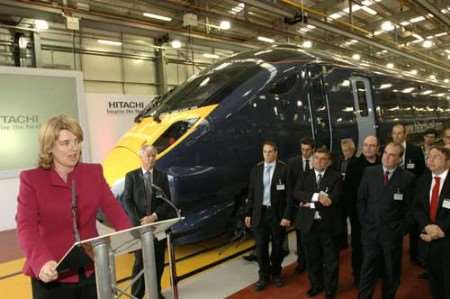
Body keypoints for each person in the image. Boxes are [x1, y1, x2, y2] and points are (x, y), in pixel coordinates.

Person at [16, 114, 132, 299]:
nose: (74, 148)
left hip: (92, 268)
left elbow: (115, 211)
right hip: (51, 274)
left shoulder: (93, 173)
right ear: (50, 147)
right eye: (65, 143)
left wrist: (132, 236)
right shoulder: (31, 180)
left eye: (77, 141)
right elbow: (26, 227)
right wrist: (42, 262)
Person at [357, 142, 415, 299]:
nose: (387, 157)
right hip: (370, 232)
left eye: (392, 155)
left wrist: (401, 230)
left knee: (391, 271)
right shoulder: (369, 172)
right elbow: (361, 200)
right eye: (385, 153)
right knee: (367, 269)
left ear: (400, 159)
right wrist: (364, 223)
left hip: (392, 235)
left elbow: (410, 210)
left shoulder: (408, 178)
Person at [122, 144, 175, 299]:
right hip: (140, 228)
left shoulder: (161, 177)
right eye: (148, 156)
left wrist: (153, 217)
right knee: (140, 263)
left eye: (154, 156)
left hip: (157, 227)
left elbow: (167, 201)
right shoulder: (131, 176)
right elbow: (127, 200)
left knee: (158, 261)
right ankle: (137, 295)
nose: (152, 159)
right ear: (141, 157)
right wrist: (140, 221)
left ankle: (155, 292)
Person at [294, 147, 343, 299]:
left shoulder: (336, 177)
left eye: (323, 159)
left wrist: (311, 204)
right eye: (316, 158)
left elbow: (333, 199)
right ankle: (316, 285)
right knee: (312, 258)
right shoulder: (304, 175)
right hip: (308, 225)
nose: (319, 161)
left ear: (328, 162)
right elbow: (296, 193)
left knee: (330, 260)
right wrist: (316, 197)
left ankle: (330, 289)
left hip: (328, 225)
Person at [244, 141, 292, 291]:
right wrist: (248, 213)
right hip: (260, 213)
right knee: (261, 247)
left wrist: (287, 216)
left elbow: (289, 196)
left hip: (277, 214)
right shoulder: (256, 169)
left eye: (270, 151)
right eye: (265, 152)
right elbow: (251, 193)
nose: (267, 155)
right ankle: (263, 275)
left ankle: (276, 272)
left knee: (278, 246)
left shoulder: (284, 169)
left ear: (276, 152)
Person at [343, 136, 380, 287]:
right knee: (359, 245)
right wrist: (356, 215)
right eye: (365, 145)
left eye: (372, 146)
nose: (368, 148)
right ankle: (358, 274)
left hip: (378, 214)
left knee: (377, 244)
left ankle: (377, 270)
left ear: (378, 148)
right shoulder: (354, 165)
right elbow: (350, 193)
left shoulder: (382, 162)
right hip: (360, 215)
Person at [413, 146, 450, 299]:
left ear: (448, 162)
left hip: (447, 240)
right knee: (435, 284)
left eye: (436, 157)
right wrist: (427, 226)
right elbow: (417, 207)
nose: (431, 160)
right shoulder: (424, 179)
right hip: (429, 242)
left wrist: (442, 230)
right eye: (429, 157)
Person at [391, 123, 425, 264]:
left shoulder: (415, 150)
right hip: (393, 194)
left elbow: (422, 172)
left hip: (411, 193)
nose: (397, 136)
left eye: (400, 133)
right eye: (394, 133)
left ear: (405, 135)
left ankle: (415, 254)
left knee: (413, 223)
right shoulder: (388, 150)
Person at [286, 136, 315, 274]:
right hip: (299, 207)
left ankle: (314, 261)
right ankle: (302, 262)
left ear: (313, 150)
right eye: (302, 149)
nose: (305, 153)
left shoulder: (318, 161)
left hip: (314, 205)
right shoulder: (293, 163)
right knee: (300, 236)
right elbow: (290, 186)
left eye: (308, 150)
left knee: (313, 236)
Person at [334, 138, 357, 250]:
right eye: (343, 150)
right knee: (340, 220)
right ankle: (342, 242)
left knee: (353, 220)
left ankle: (355, 241)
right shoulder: (339, 160)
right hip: (340, 196)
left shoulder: (357, 162)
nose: (345, 152)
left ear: (352, 149)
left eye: (347, 150)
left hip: (351, 196)